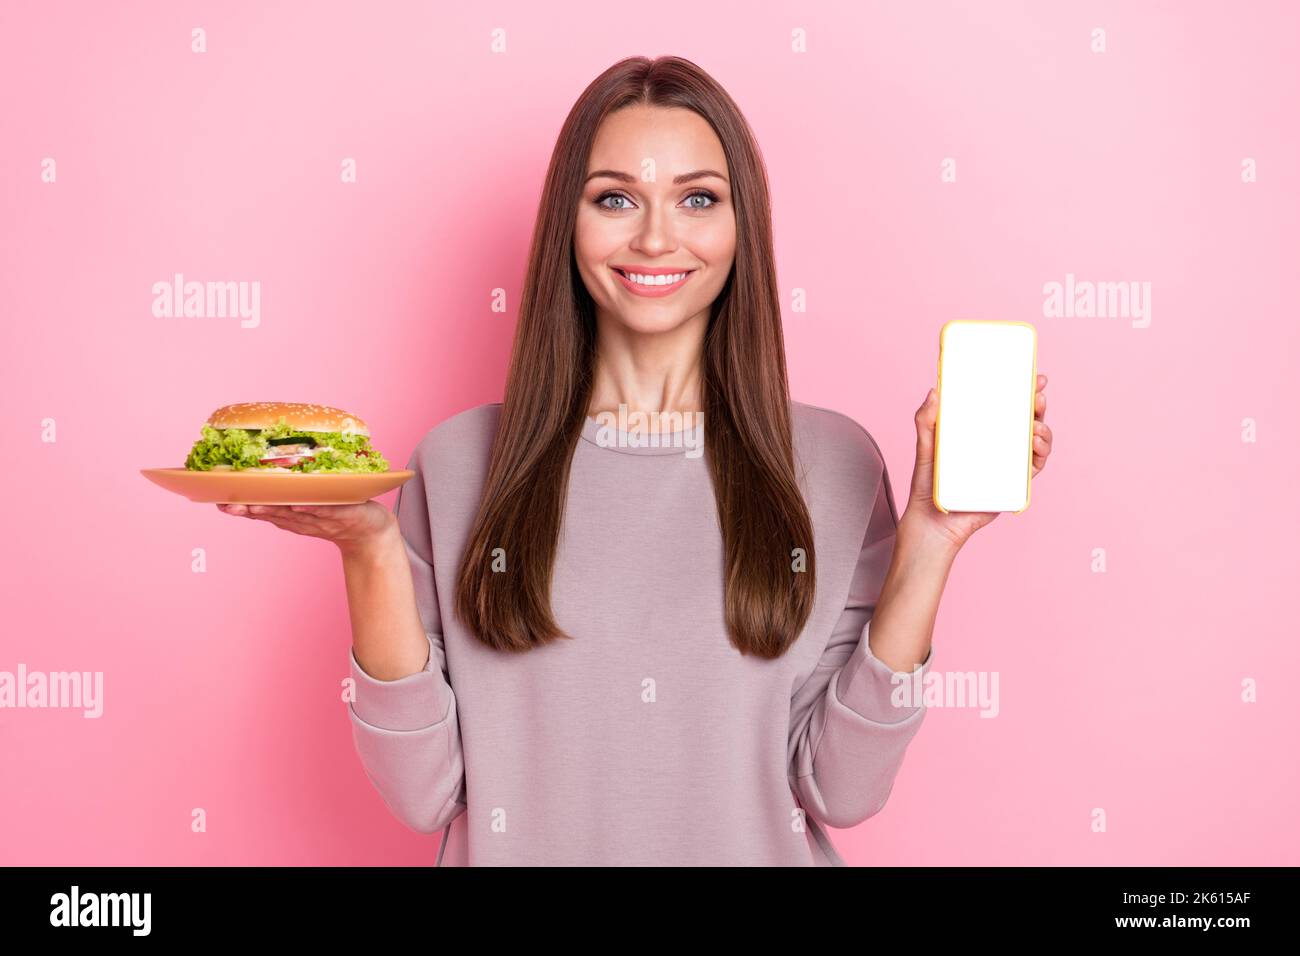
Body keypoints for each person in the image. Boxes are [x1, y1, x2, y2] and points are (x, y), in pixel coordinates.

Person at [217, 55, 1054, 866]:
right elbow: (422, 795)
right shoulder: (458, 461)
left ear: (740, 227)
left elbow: (842, 790)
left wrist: (932, 542)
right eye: (615, 198)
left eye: (697, 198)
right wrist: (365, 549)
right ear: (567, 226)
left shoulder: (833, 464)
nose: (657, 238)